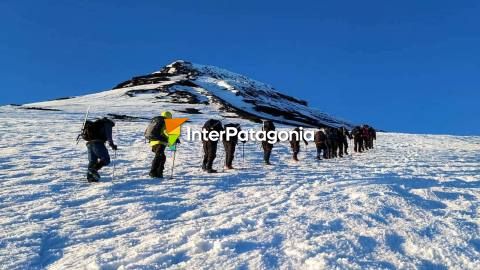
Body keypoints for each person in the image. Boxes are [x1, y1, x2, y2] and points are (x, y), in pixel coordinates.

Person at [83, 117, 117, 183]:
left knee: (92, 161)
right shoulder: (108, 123)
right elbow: (109, 136)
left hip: (89, 144)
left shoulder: (97, 124)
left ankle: (90, 177)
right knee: (106, 159)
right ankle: (93, 170)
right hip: (98, 143)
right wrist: (112, 145)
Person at [145, 111, 173, 179]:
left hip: (152, 142)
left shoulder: (156, 121)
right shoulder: (165, 122)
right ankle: (153, 172)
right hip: (160, 142)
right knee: (159, 156)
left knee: (162, 157)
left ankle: (159, 172)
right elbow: (166, 132)